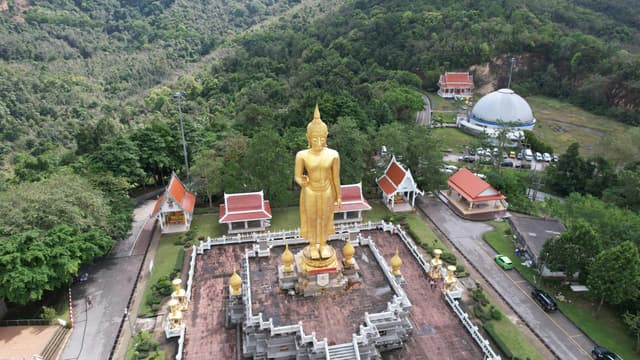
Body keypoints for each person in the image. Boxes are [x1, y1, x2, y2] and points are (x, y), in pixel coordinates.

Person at [295, 105, 342, 259]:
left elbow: (336, 178)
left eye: (321, 138)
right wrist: (301, 181)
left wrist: (339, 197)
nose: (318, 141)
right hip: (310, 189)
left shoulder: (333, 154)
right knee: (312, 217)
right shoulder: (302, 155)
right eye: (314, 138)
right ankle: (312, 245)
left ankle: (322, 244)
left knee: (325, 216)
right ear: (308, 137)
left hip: (327, 190)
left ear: (326, 137)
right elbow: (296, 176)